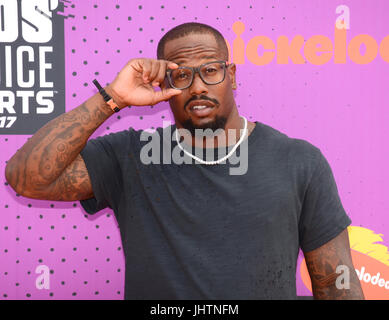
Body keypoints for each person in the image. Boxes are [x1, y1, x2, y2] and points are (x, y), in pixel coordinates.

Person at [5, 22, 364, 300]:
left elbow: (335, 280)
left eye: (211, 70)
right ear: (164, 83)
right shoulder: (129, 156)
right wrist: (112, 98)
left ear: (232, 75)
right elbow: (25, 178)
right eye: (182, 75)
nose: (197, 87)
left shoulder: (299, 160)